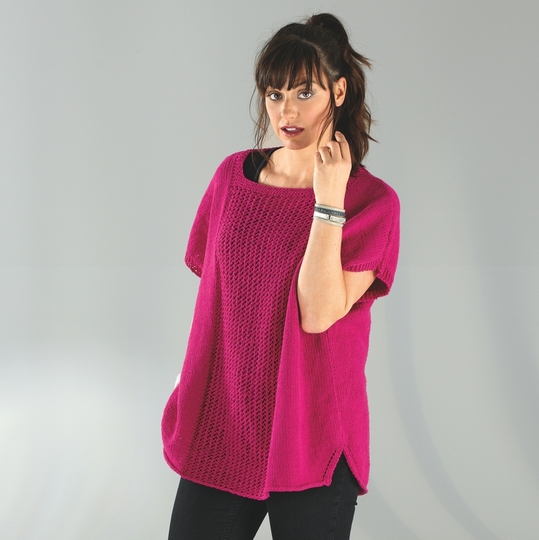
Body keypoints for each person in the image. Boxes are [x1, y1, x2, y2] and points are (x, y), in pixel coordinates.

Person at [162, 13, 400, 540]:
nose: (286, 112)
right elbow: (219, 297)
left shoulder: (372, 203)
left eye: (303, 92)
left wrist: (328, 200)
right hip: (226, 426)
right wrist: (190, 382)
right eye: (274, 94)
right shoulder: (232, 178)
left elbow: (317, 312)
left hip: (313, 439)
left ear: (339, 91)